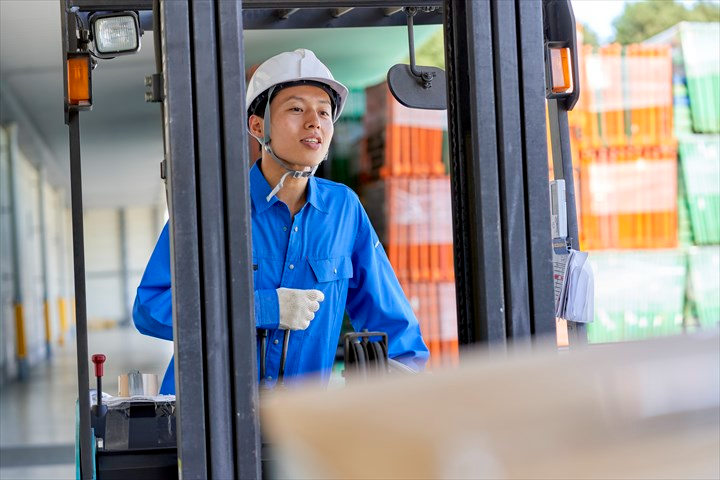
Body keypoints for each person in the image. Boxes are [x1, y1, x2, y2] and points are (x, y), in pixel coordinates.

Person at [133, 49, 429, 394]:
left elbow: (390, 321)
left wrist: (412, 385)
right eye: (296, 109)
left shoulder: (343, 209)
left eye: (323, 112)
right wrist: (263, 307)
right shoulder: (210, 209)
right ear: (258, 126)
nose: (314, 122)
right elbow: (151, 308)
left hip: (299, 420)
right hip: (210, 419)